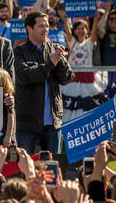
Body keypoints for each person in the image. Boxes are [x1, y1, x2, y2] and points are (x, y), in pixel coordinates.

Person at [13, 11, 75, 154]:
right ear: (29, 28)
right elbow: (25, 77)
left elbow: (67, 78)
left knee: (53, 166)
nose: (46, 29)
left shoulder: (53, 49)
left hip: (53, 122)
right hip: (27, 123)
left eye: (47, 25)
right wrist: (51, 62)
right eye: (41, 26)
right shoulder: (19, 52)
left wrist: (60, 61)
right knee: (24, 166)